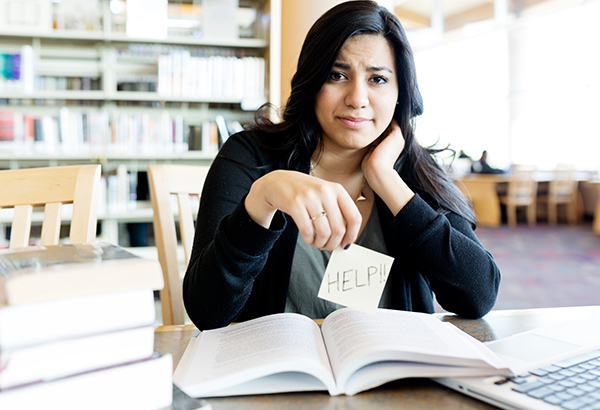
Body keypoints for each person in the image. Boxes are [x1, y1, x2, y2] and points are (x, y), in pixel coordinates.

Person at [183, 0, 501, 330]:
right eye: (337, 75)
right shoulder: (252, 157)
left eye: (377, 79)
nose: (357, 98)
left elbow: (477, 296)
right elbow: (208, 311)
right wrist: (261, 200)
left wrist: (385, 179)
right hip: (281, 375)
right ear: (312, 82)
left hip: (395, 376)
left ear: (400, 93)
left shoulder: (414, 170)